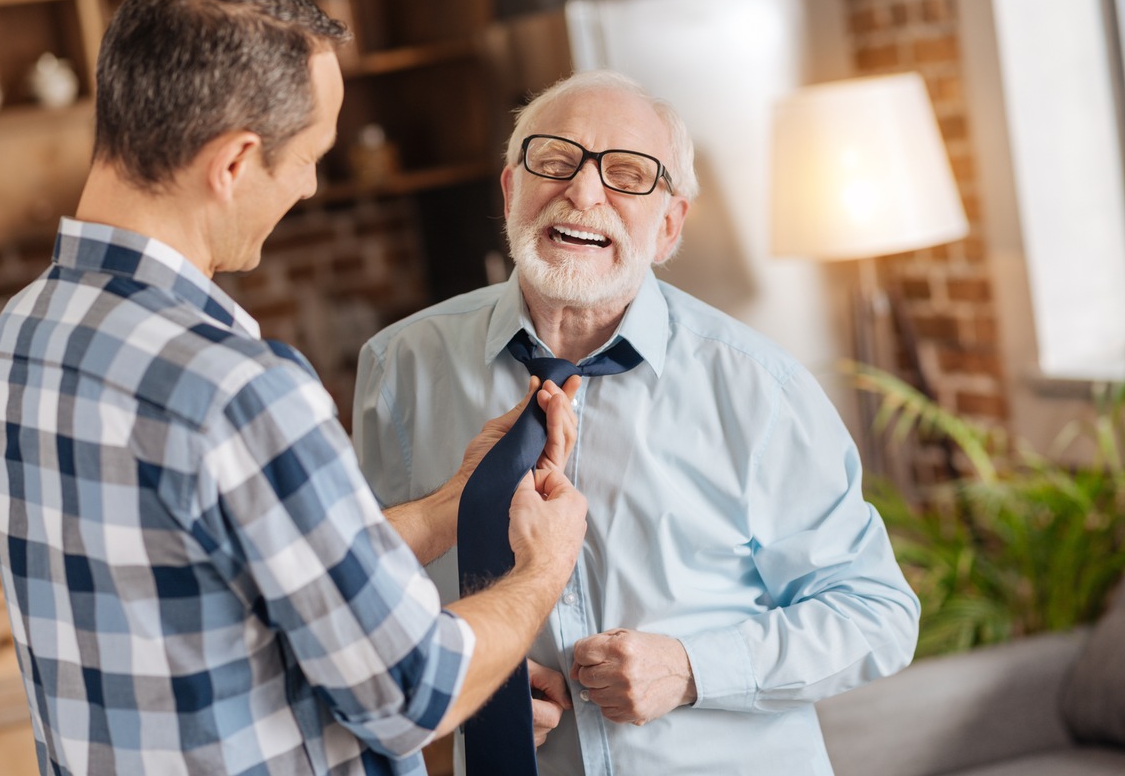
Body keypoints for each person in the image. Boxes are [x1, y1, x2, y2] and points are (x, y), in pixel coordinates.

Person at [0, 0, 589, 774]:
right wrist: (544, 569)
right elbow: (412, 691)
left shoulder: (16, 340)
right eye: (309, 157)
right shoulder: (237, 388)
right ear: (233, 162)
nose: (311, 185)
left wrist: (444, 507)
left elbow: (236, 577)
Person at [353, 69, 922, 775]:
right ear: (510, 191)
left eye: (627, 173)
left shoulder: (758, 388)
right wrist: (469, 689)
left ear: (670, 225)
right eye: (554, 161)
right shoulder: (399, 366)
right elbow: (367, 594)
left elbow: (875, 613)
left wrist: (690, 669)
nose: (583, 193)